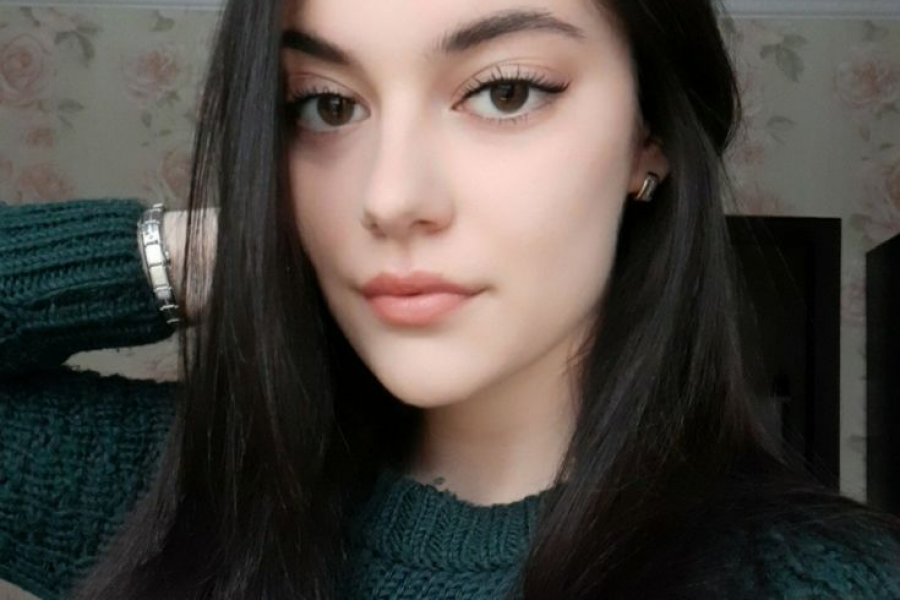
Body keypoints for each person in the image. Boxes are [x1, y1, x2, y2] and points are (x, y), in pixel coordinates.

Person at [1, 0, 899, 598]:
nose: (389, 197)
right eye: (325, 106)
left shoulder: (822, 581)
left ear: (649, 135)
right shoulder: (178, 500)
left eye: (505, 92)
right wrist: (213, 254)